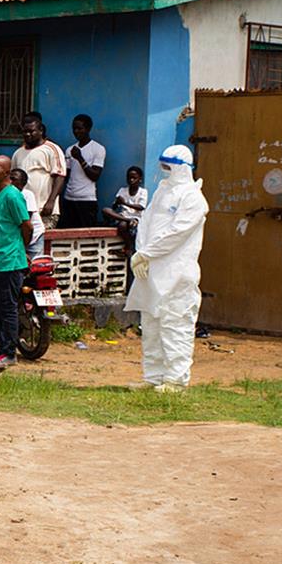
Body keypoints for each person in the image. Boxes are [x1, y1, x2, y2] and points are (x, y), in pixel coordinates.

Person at [125, 145, 208, 392]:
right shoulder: (162, 191)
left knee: (175, 326)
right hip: (151, 273)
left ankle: (175, 379)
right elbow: (146, 222)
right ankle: (153, 377)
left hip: (176, 274)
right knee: (150, 327)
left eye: (168, 166)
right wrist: (142, 253)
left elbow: (177, 233)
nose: (164, 171)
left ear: (181, 168)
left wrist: (148, 253)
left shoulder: (193, 198)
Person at [0, 155, 32, 363]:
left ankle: (9, 352)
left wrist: (21, 248)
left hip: (10, 261)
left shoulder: (13, 196)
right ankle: (1, 345)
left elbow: (26, 225)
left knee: (7, 307)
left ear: (6, 172)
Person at [11, 115, 66, 229]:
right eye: (25, 132)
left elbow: (60, 177)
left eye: (31, 131)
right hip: (23, 210)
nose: (27, 134)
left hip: (44, 209)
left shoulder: (51, 149)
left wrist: (50, 202)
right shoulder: (18, 153)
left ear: (40, 131)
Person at [59, 114, 105, 228]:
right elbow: (66, 175)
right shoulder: (70, 150)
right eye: (74, 128)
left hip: (87, 200)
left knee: (86, 235)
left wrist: (80, 158)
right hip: (69, 198)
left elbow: (95, 176)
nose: (76, 131)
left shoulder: (98, 149)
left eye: (80, 128)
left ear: (88, 129)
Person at [103, 166, 147, 253]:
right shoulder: (122, 190)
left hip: (136, 217)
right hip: (123, 216)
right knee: (105, 210)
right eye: (129, 177)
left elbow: (141, 207)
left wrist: (125, 203)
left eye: (134, 178)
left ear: (140, 179)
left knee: (122, 225)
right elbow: (114, 208)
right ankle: (128, 220)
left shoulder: (143, 191)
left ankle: (129, 246)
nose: (131, 180)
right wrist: (117, 202)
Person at [9, 168, 46, 259]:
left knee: (35, 266)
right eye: (10, 179)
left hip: (34, 236)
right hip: (19, 237)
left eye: (14, 179)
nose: (11, 182)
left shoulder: (27, 195)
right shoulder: (7, 194)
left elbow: (25, 219)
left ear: (23, 183)